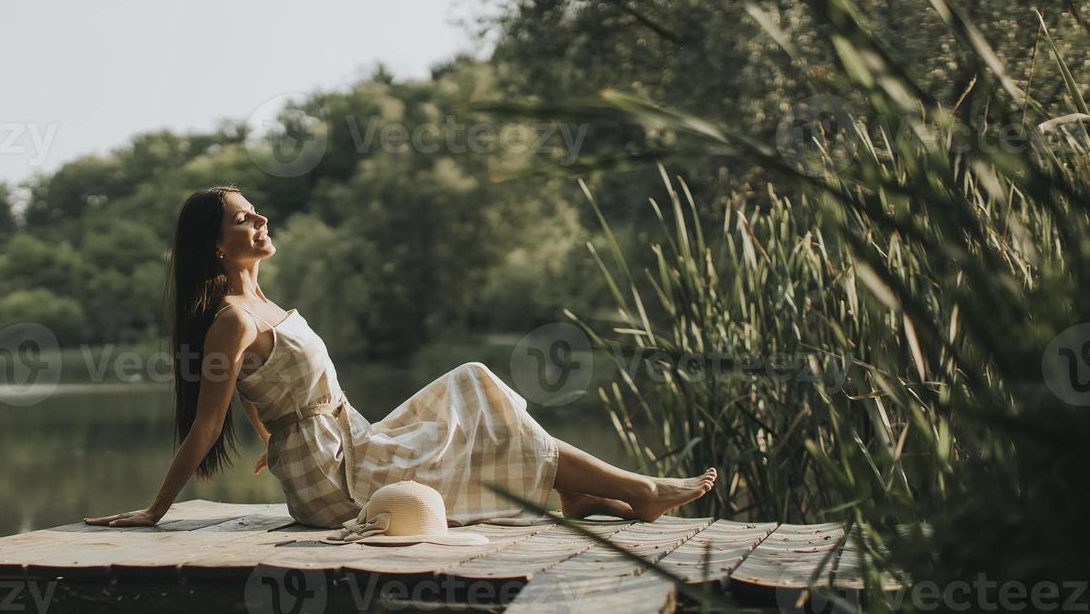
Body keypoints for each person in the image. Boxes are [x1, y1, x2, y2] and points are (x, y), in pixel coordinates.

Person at [84, 185, 716, 529]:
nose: (262, 221)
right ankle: (641, 490)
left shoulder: (258, 304)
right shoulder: (232, 320)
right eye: (246, 219)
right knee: (473, 389)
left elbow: (256, 389)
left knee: (475, 392)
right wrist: (153, 512)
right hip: (333, 479)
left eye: (256, 213)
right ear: (219, 247)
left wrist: (268, 434)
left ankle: (582, 495)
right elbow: (204, 422)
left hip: (349, 440)